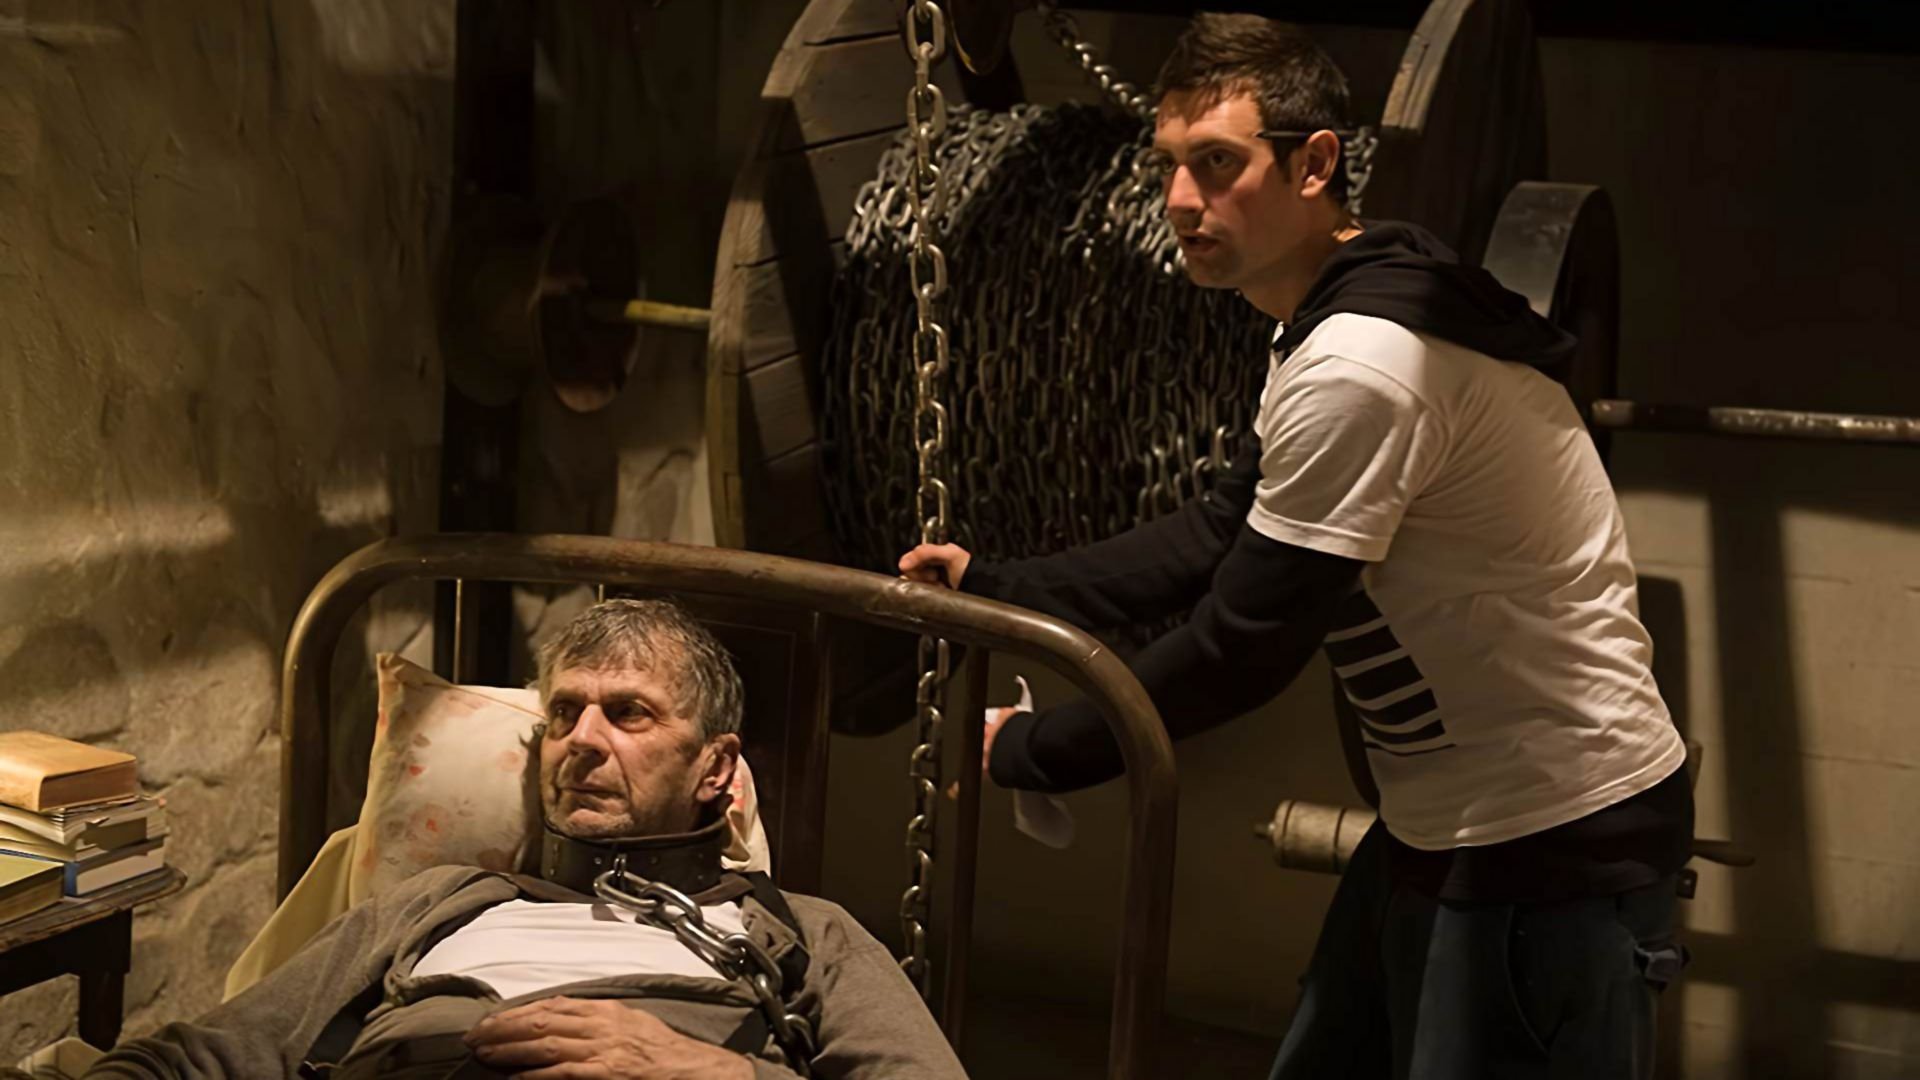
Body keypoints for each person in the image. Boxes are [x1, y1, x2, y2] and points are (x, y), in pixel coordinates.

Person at [900, 14, 1691, 1080]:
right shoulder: (1332, 315)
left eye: (1218, 164)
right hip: (1449, 825)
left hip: (1548, 841)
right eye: (1169, 165)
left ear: (1315, 164)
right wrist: (1000, 588)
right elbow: (1221, 529)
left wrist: (1036, 752)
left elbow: (1244, 646)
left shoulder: (1364, 363)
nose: (1180, 201)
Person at [81, 600, 967, 1080]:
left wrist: (717, 1075)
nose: (582, 740)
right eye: (564, 713)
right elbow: (209, 1054)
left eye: (628, 713)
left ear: (714, 768)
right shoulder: (434, 903)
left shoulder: (807, 934)